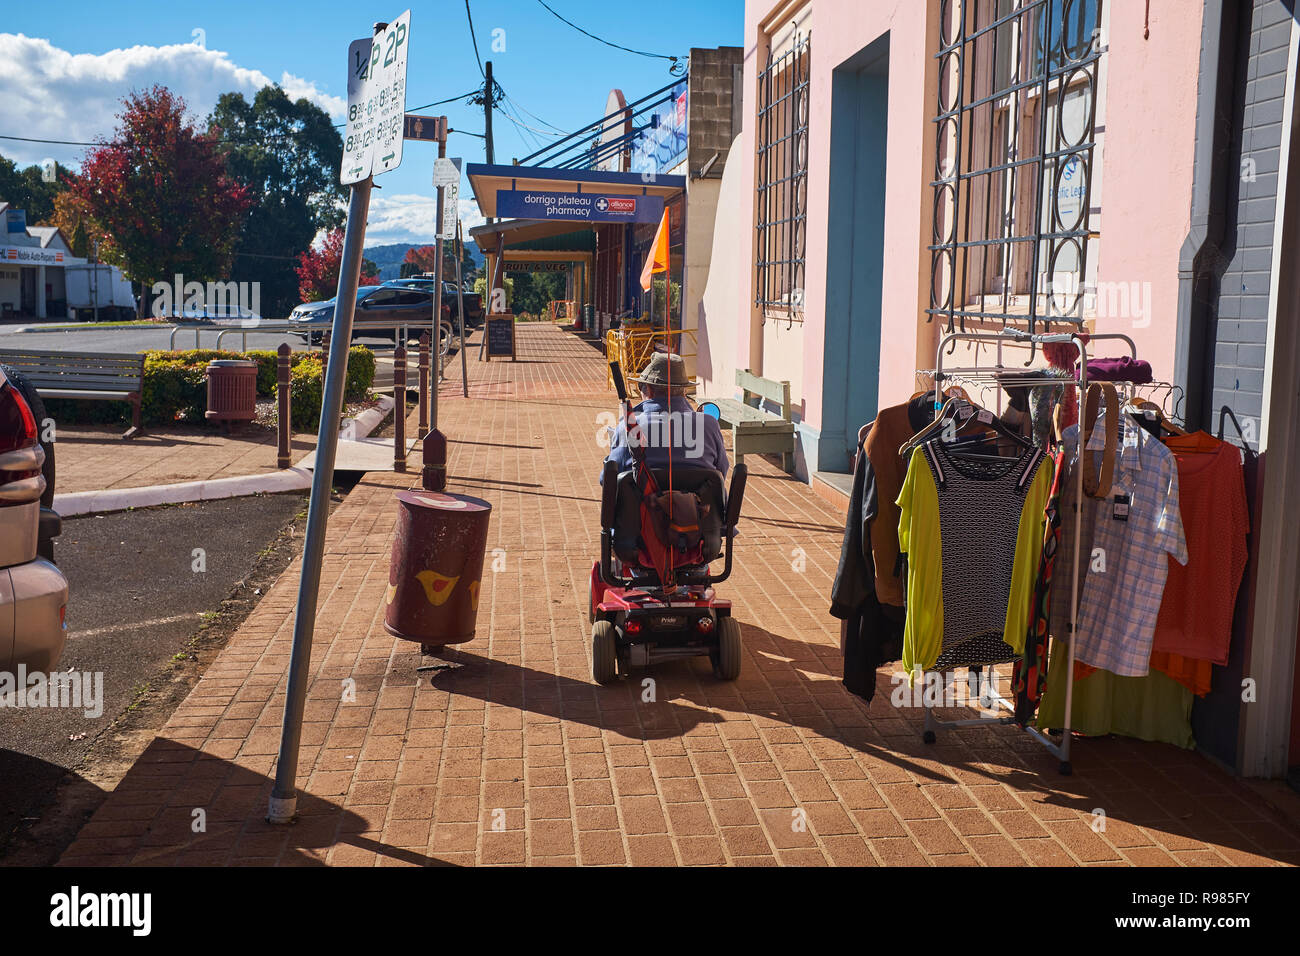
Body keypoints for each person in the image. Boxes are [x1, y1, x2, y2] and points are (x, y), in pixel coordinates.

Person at [601, 352, 728, 482]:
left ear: (649, 389)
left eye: (641, 386)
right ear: (683, 390)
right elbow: (722, 471)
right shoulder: (709, 425)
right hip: (700, 502)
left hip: (642, 502)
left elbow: (606, 479)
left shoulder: (628, 428)